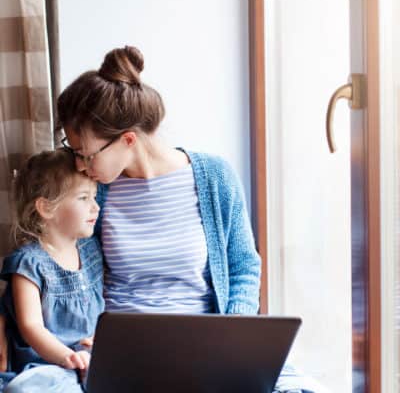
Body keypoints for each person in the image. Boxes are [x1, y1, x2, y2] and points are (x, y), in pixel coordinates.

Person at [1, 45, 327, 392]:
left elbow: (244, 266)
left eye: (85, 154)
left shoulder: (214, 177)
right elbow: (52, 266)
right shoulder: (94, 196)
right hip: (121, 352)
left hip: (209, 346)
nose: (80, 165)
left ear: (127, 140)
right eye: (74, 152)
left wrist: (231, 337)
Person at [0, 148, 104, 392]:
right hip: (45, 366)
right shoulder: (29, 262)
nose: (95, 207)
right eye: (83, 198)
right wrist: (67, 357)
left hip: (90, 359)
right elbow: (31, 326)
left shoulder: (91, 249)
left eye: (95, 197)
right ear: (46, 208)